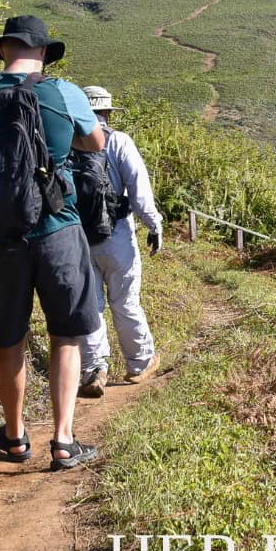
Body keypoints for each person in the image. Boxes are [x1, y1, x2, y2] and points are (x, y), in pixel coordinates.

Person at [0, 12, 106, 472]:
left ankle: (14, 437)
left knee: (8, 339)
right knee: (65, 336)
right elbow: (95, 144)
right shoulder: (62, 93)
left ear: (2, 51)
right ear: (44, 54)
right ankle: (63, 440)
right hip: (58, 230)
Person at [77, 85, 164, 397]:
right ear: (108, 113)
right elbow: (140, 194)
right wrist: (154, 226)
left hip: (78, 239)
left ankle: (93, 370)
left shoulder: (65, 141)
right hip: (116, 237)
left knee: (91, 305)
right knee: (125, 300)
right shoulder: (118, 141)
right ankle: (139, 364)